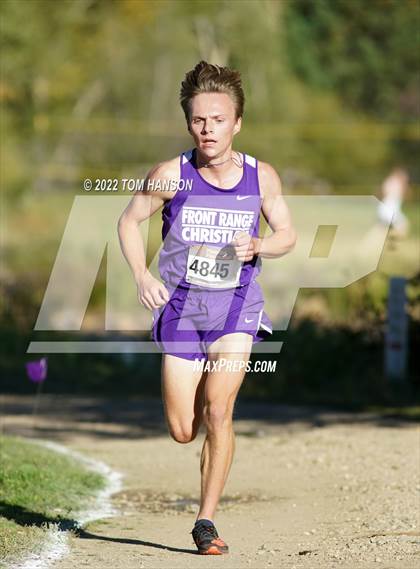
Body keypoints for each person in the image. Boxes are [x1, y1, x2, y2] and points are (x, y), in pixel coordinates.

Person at [118, 60, 296, 555]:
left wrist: (260, 247)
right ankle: (196, 399)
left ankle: (205, 521)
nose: (207, 129)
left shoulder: (262, 177)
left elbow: (288, 235)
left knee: (219, 412)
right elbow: (128, 222)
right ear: (188, 123)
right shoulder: (170, 175)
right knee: (182, 430)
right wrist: (141, 274)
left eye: (218, 119)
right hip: (181, 311)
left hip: (237, 309)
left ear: (236, 122)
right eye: (198, 120)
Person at [377, 167, 410, 238]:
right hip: (388, 211)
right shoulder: (395, 182)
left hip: (387, 210)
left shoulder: (391, 181)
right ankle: (390, 239)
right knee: (402, 226)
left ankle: (389, 240)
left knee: (385, 229)